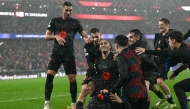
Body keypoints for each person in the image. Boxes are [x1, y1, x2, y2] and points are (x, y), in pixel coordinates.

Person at [43, 1, 90, 109]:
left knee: (72, 79)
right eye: (67, 10)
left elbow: (83, 34)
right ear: (62, 9)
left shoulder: (75, 22)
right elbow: (47, 36)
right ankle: (47, 103)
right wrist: (56, 36)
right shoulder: (54, 21)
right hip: (56, 53)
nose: (69, 12)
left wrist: (87, 39)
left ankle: (74, 103)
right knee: (49, 76)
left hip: (69, 54)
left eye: (70, 11)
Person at [136, 29, 190, 109]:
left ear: (174, 41)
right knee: (178, 87)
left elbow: (166, 53)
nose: (168, 43)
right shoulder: (180, 49)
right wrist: (176, 72)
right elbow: (186, 64)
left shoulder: (184, 50)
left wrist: (146, 51)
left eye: (169, 41)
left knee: (178, 87)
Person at [111, 34, 147, 109]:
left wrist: (114, 89)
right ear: (127, 44)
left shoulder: (121, 56)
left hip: (131, 95)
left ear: (116, 46)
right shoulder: (134, 53)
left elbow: (124, 76)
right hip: (143, 93)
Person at [127, 29, 161, 109]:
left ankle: (146, 106)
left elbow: (140, 58)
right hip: (142, 69)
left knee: (145, 84)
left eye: (131, 37)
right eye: (129, 37)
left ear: (138, 38)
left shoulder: (142, 46)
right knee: (143, 83)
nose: (129, 39)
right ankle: (160, 94)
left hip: (151, 69)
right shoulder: (133, 45)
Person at [76, 28, 102, 107]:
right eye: (93, 37)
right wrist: (94, 67)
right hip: (92, 70)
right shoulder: (87, 46)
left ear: (100, 35)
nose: (95, 39)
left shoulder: (105, 44)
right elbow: (89, 61)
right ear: (90, 37)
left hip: (103, 71)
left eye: (96, 37)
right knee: (84, 90)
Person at [95, 39, 120, 108]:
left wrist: (111, 90)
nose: (103, 45)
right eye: (101, 44)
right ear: (99, 48)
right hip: (102, 93)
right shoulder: (98, 63)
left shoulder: (116, 58)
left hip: (114, 93)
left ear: (110, 47)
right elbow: (98, 78)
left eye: (105, 43)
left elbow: (123, 76)